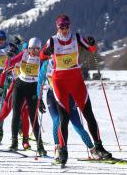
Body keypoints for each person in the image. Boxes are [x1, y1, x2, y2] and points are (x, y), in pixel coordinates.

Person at [41, 15, 112, 166]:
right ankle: (62, 150)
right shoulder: (52, 40)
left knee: (89, 114)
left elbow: (92, 49)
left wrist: (93, 43)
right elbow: (42, 55)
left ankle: (98, 147)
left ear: (70, 26)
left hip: (77, 80)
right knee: (63, 118)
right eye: (62, 27)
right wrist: (47, 51)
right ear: (57, 27)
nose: (65, 30)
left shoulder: (77, 37)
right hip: (60, 82)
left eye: (67, 26)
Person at [38, 60, 94, 161]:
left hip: (69, 96)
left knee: (77, 125)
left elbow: (77, 80)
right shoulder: (46, 64)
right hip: (53, 96)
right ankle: (58, 149)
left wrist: (77, 97)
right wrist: (39, 99)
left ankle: (93, 149)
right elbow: (40, 82)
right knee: (57, 120)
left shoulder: (68, 60)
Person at [0, 37, 47, 155]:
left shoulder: (41, 59)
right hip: (19, 86)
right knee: (16, 114)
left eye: (37, 49)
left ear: (40, 49)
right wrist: (9, 58)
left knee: (33, 117)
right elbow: (7, 64)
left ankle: (40, 146)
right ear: (28, 48)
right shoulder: (24, 54)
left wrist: (40, 99)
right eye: (31, 48)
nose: (34, 51)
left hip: (32, 88)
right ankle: (14, 142)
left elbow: (42, 80)